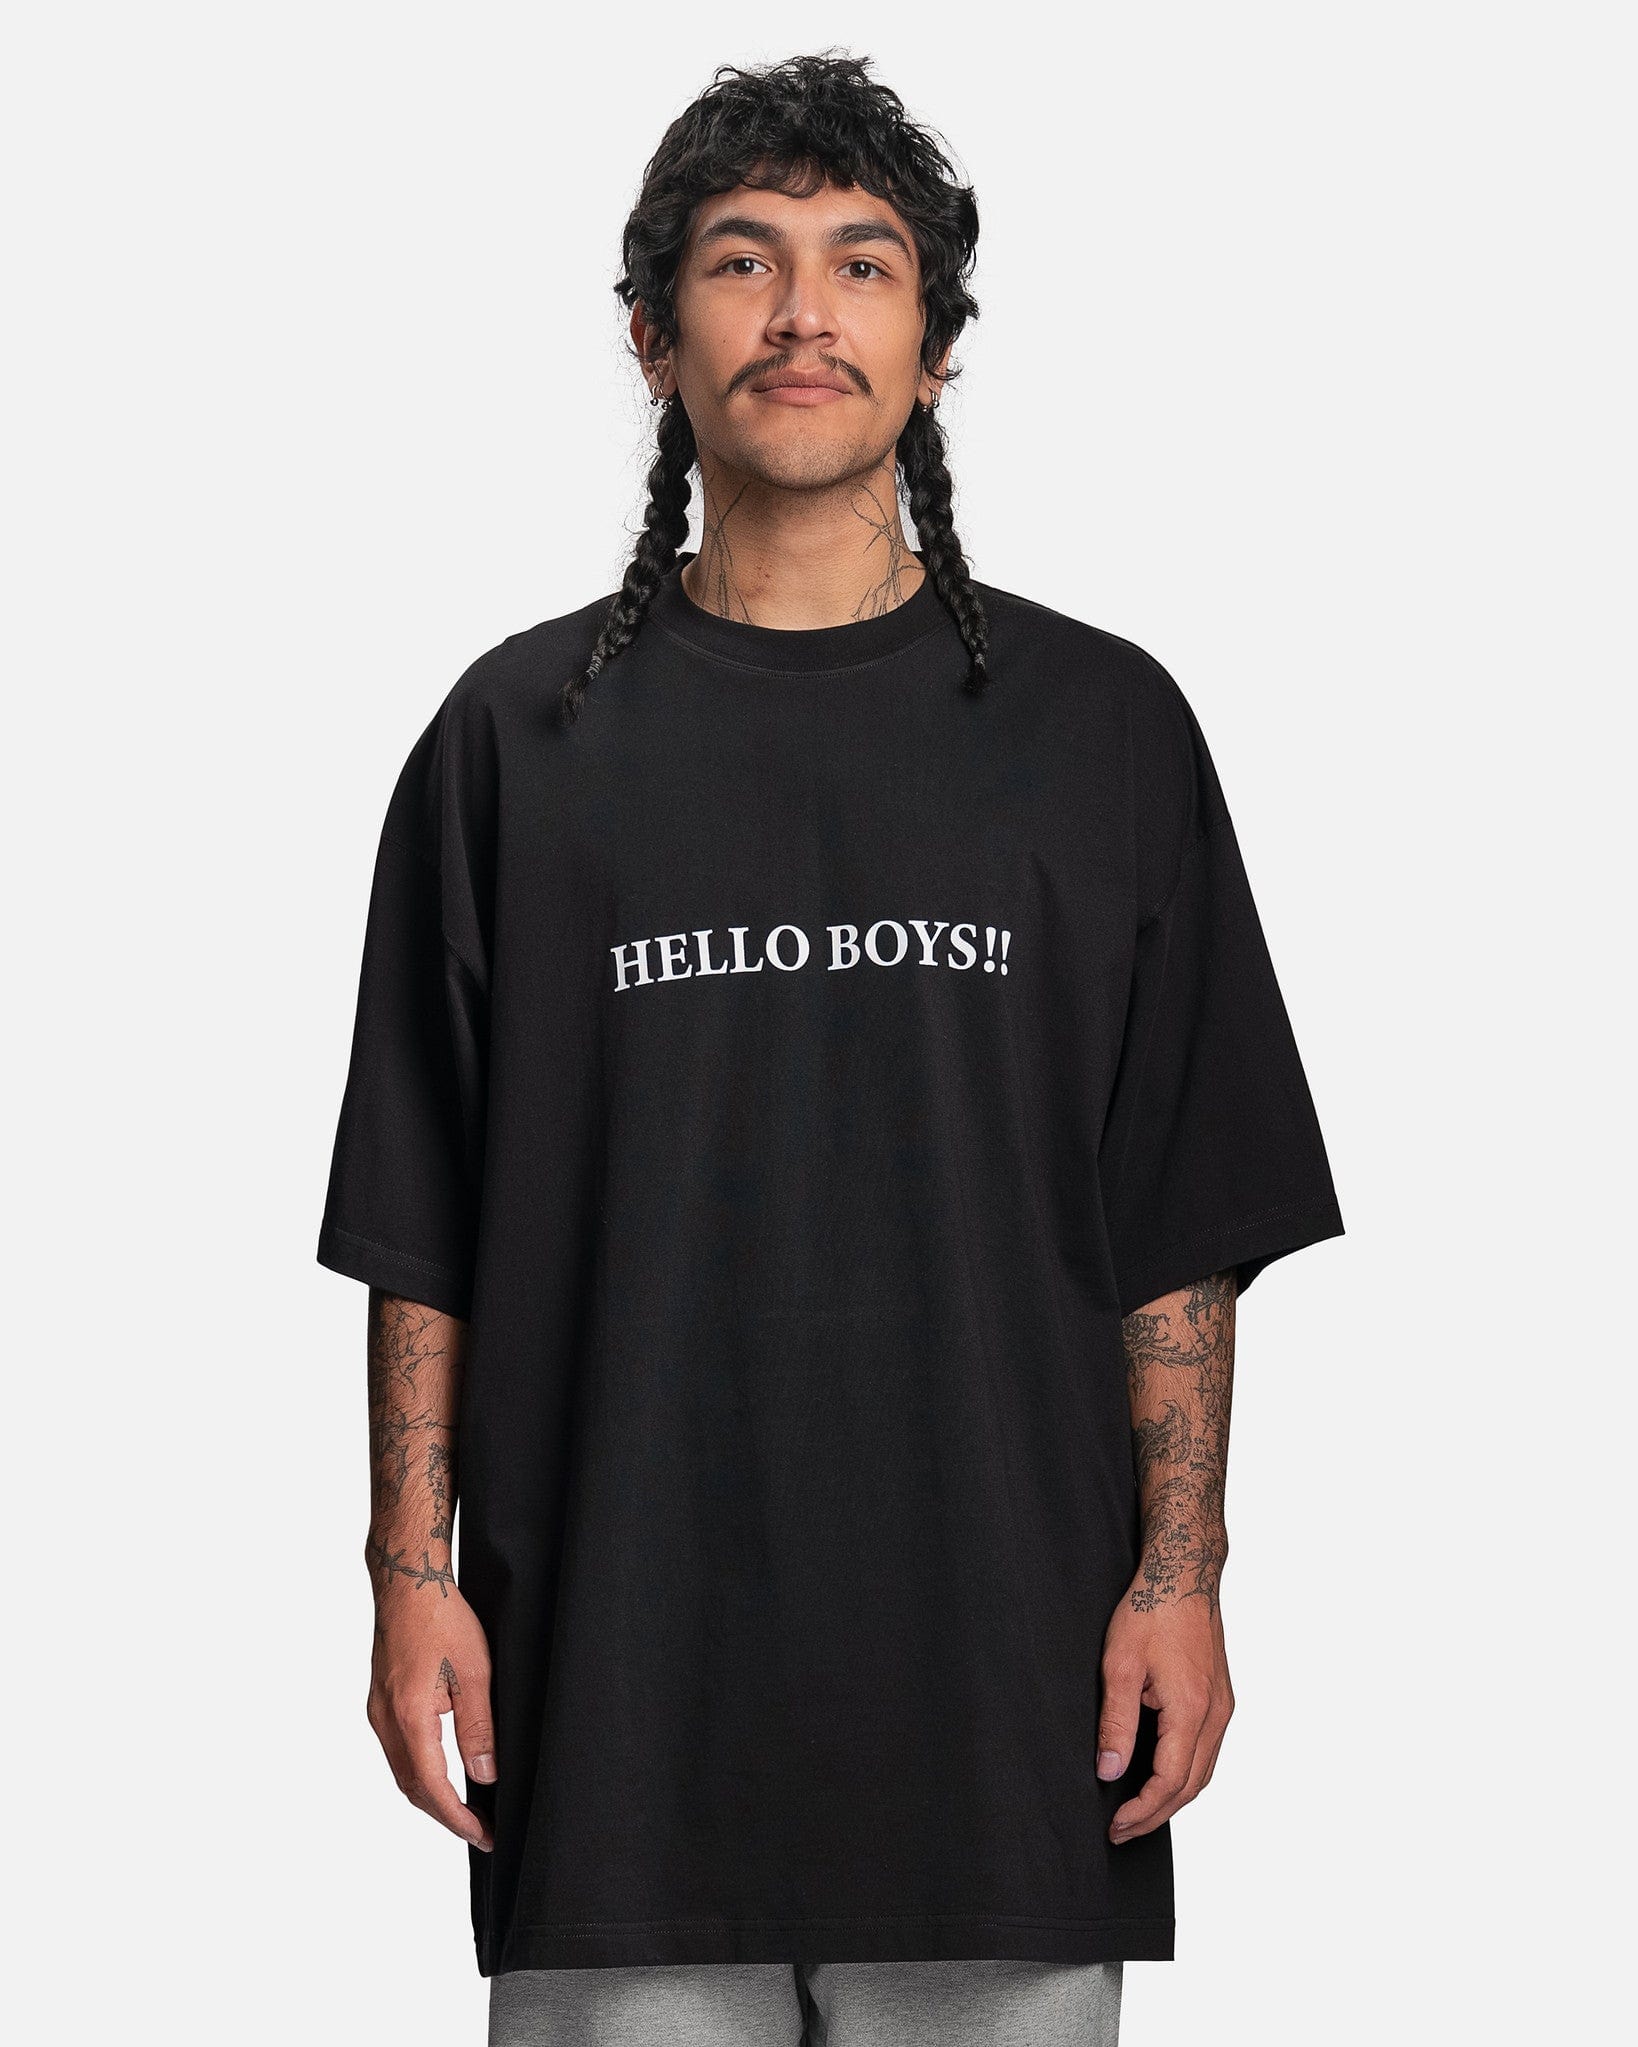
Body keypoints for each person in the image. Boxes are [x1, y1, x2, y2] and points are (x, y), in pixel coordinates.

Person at [316, 51, 1344, 2047]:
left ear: (936, 349)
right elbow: (421, 1218)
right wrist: (402, 1574)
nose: (803, 313)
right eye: (743, 261)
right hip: (606, 1710)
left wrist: (1186, 1573)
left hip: (1009, 1709)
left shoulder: (1102, 728)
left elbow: (1175, 1217)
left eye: (863, 266)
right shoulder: (512, 742)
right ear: (652, 338)